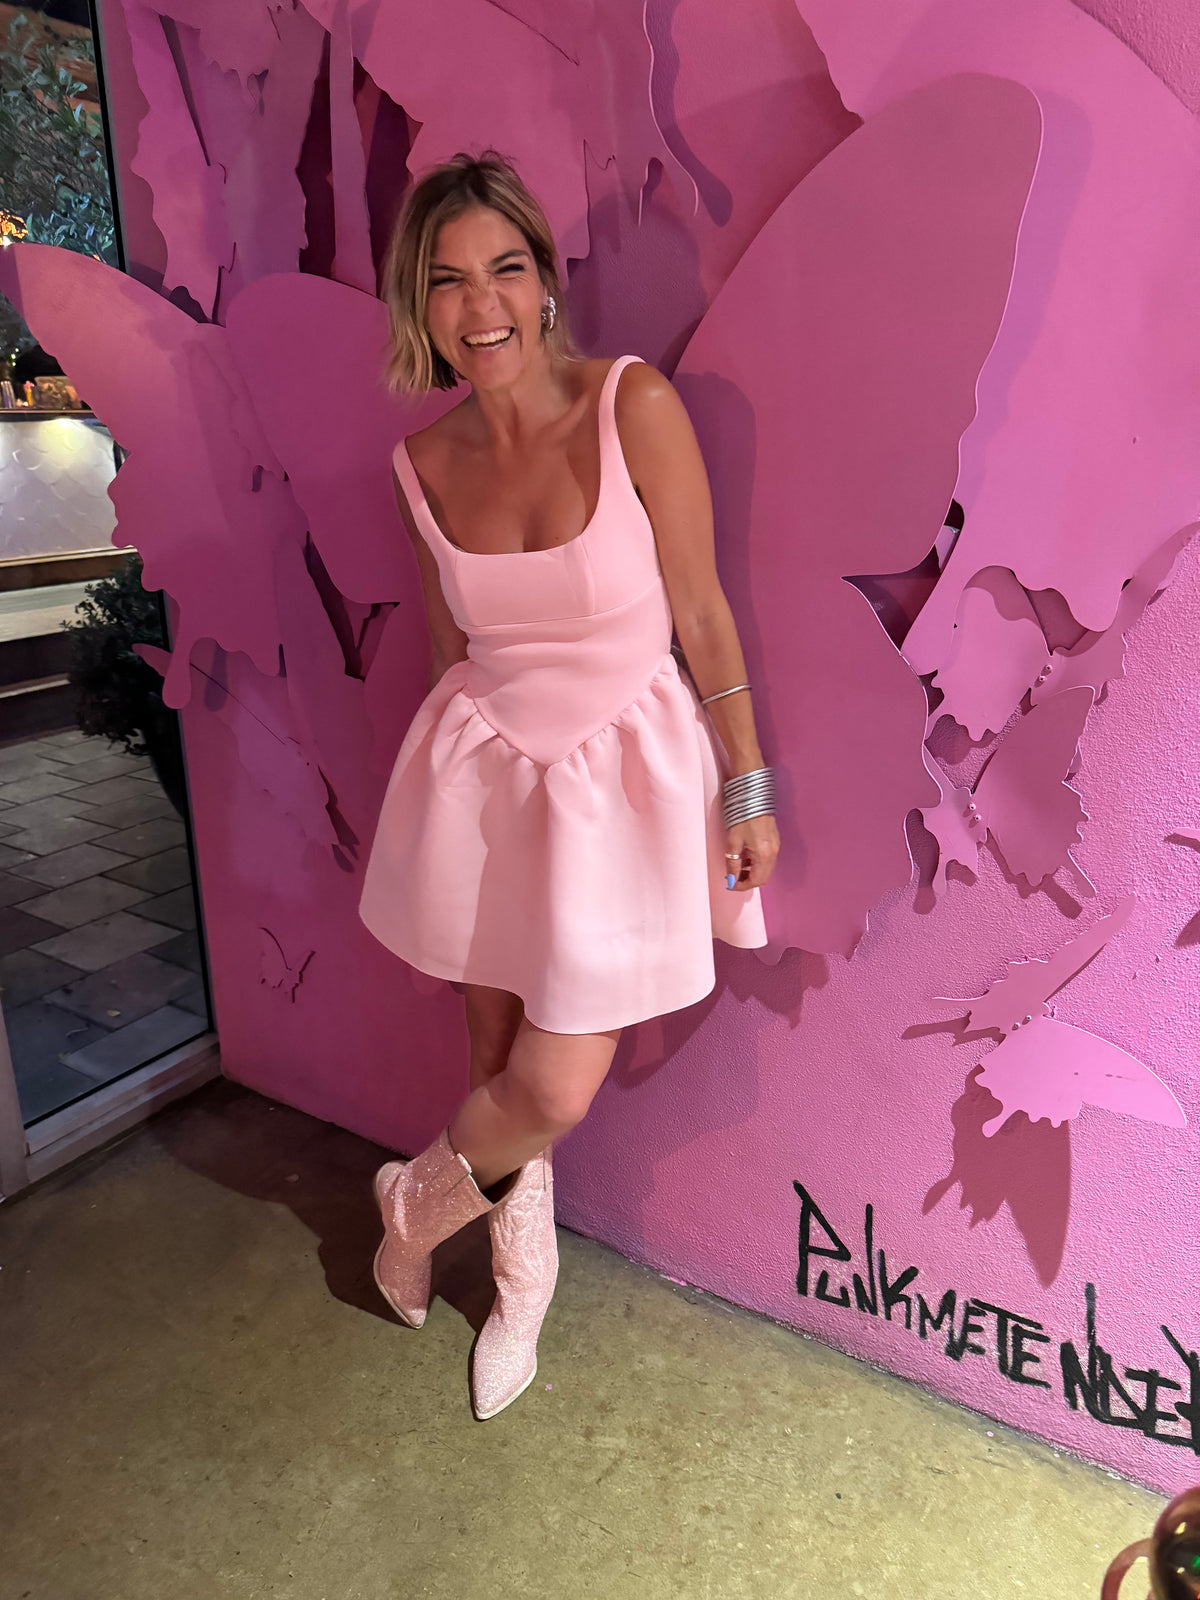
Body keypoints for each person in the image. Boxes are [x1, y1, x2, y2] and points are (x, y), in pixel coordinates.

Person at [357, 148, 780, 1420]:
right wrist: (471, 786)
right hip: (486, 780)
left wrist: (748, 783)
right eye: (447, 280)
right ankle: (521, 1286)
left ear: (544, 281)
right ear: (419, 304)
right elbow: (455, 652)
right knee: (496, 1059)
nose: (479, 303)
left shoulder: (630, 402)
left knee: (549, 1085)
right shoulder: (420, 464)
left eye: (503, 268)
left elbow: (701, 612)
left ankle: (410, 1207)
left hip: (625, 783)